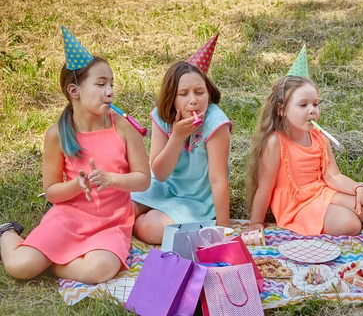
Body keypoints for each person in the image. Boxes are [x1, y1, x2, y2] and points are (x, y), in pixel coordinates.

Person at [0, 26, 150, 284]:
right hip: (70, 218)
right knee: (19, 266)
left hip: (111, 223)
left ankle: (50, 263)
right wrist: (77, 185)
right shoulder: (57, 134)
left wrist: (112, 179)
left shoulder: (124, 127)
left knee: (98, 270)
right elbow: (52, 192)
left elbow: (143, 179)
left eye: (111, 84)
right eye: (101, 84)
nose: (110, 91)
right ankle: (6, 232)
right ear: (74, 91)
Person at [247, 46, 363, 236]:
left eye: (315, 104)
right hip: (295, 204)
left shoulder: (319, 137)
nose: (312, 110)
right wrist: (256, 222)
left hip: (320, 192)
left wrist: (359, 188)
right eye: (303, 105)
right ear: (281, 110)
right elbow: (265, 186)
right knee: (350, 224)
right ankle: (335, 215)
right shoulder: (276, 142)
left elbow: (333, 176)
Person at [132, 33, 232, 244]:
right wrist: (176, 137)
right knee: (124, 212)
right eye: (184, 94)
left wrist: (224, 229)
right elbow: (159, 173)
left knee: (147, 228)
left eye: (199, 92)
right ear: (171, 98)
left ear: (209, 93)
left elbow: (218, 179)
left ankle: (160, 219)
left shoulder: (216, 123)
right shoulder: (161, 115)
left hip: (196, 199)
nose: (193, 100)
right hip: (162, 186)